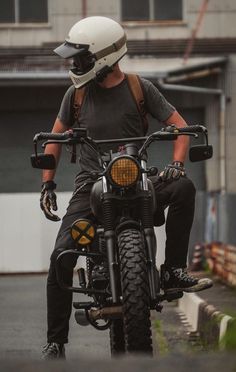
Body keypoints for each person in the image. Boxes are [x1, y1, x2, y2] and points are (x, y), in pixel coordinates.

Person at [40, 16, 212, 359]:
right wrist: (47, 184)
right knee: (61, 256)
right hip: (91, 184)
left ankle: (174, 270)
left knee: (184, 188)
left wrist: (177, 164)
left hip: (138, 177)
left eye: (81, 58)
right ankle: (56, 341)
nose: (75, 64)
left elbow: (179, 126)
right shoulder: (75, 95)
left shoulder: (139, 88)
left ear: (103, 57)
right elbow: (54, 137)